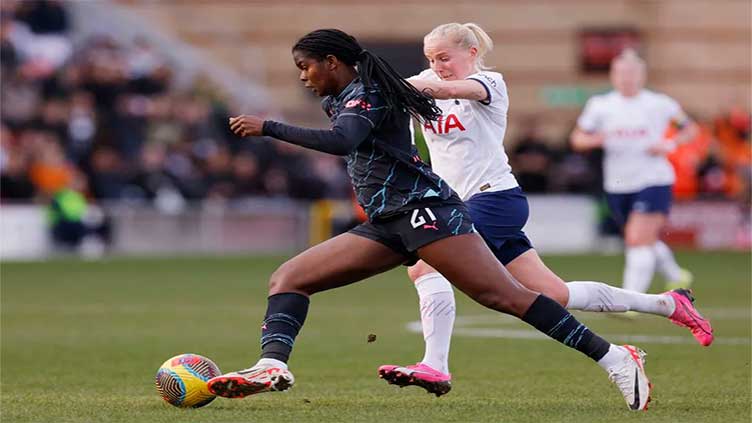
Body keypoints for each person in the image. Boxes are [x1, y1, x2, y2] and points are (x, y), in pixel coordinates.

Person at [207, 28, 653, 411]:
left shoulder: (369, 93)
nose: (302, 76)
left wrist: (271, 127)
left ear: (332, 61)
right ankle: (272, 367)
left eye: (306, 66)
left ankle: (615, 358)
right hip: (387, 221)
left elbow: (346, 140)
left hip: (427, 212)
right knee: (289, 277)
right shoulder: (345, 95)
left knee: (506, 297)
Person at [376, 23, 713, 398]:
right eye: (430, 59)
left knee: (426, 261)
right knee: (555, 294)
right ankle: (668, 304)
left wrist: (393, 83)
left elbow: (449, 89)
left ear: (471, 53)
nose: (436, 66)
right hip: (460, 203)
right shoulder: (425, 81)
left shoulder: (490, 83)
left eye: (444, 57)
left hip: (495, 198)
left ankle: (435, 366)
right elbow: (409, 93)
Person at [570, 50, 699, 295]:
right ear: (612, 75)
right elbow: (577, 139)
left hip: (654, 179)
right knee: (642, 238)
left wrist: (669, 144)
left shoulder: (660, 103)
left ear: (642, 75)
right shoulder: (600, 106)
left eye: (632, 72)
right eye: (621, 72)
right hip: (618, 184)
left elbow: (690, 129)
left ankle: (630, 300)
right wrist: (595, 139)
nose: (626, 78)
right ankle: (676, 274)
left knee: (637, 238)